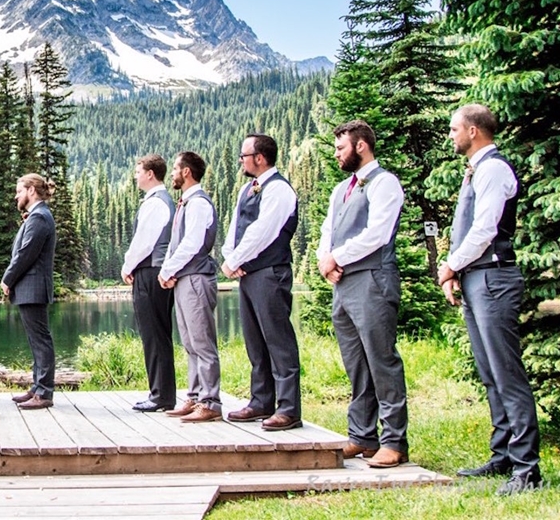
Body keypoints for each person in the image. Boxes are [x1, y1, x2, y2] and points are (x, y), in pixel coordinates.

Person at [438, 105, 541, 495]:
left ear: (474, 131)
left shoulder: (494, 169)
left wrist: (450, 266)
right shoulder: (476, 171)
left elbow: (485, 228)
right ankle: (503, 456)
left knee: (506, 373)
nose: (451, 135)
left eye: (454, 129)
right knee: (488, 372)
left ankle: (527, 468)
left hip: (495, 278)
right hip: (476, 277)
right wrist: (457, 274)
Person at [316, 120, 408, 469]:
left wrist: (336, 257)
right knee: (355, 363)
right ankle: (362, 435)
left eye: (341, 148)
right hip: (342, 283)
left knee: (381, 360)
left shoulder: (385, 183)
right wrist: (326, 261)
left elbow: (377, 233)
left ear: (361, 147)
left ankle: (394, 441)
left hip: (373, 279)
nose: (337, 153)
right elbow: (328, 231)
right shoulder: (341, 189)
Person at [220, 134, 303, 431]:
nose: (240, 160)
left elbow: (263, 231)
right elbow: (236, 230)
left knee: (278, 340)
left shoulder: (279, 189)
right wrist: (230, 256)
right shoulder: (247, 188)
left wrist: (235, 261)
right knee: (255, 340)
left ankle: (289, 408)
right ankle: (261, 400)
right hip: (249, 274)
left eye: (244, 155)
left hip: (271, 272)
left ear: (260, 157)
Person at [158, 152, 221, 423]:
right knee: (189, 342)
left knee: (202, 342)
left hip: (196, 279)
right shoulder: (186, 202)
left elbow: (192, 243)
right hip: (185, 279)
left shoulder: (198, 204)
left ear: (186, 172)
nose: (171, 173)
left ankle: (211, 402)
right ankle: (195, 396)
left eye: (174, 168)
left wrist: (167, 269)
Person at [120, 154, 176, 413]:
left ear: (150, 174)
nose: (135, 175)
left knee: (153, 334)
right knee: (157, 333)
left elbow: (144, 241)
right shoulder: (160, 201)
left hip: (150, 272)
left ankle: (160, 395)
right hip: (155, 272)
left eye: (138, 170)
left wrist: (127, 265)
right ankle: (162, 393)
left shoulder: (155, 203)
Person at [0, 173, 58, 410]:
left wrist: (7, 279)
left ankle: (44, 392)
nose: (17, 195)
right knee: (37, 340)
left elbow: (26, 254)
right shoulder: (38, 216)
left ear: (31, 190)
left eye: (19, 190)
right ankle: (37, 387)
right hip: (29, 288)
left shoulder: (39, 218)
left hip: (33, 288)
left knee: (41, 340)